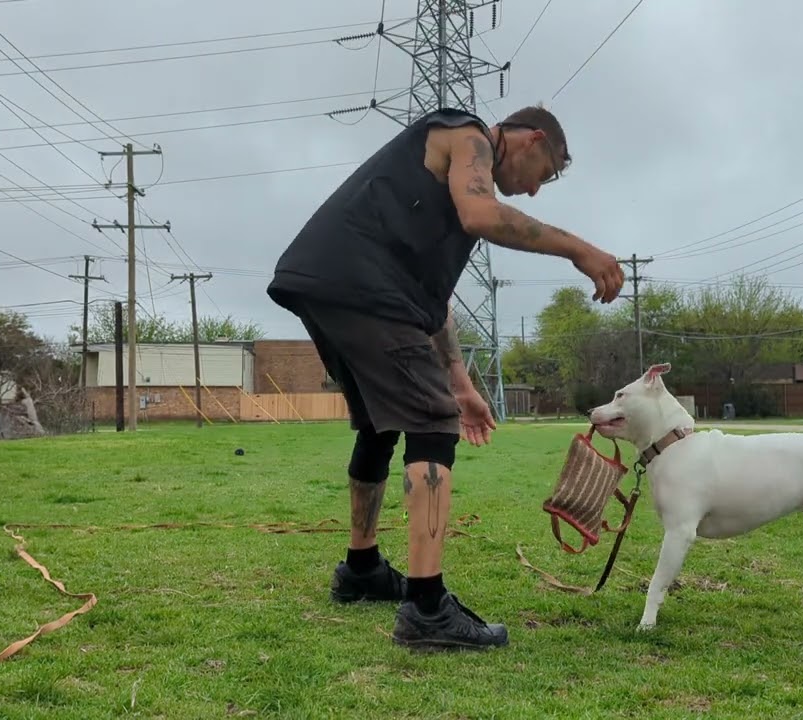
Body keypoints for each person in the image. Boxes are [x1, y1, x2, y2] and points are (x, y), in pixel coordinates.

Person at [266, 103, 625, 651]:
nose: (532, 192)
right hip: (360, 283)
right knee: (433, 424)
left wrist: (459, 381)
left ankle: (361, 569)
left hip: (327, 281)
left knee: (382, 425)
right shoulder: (469, 137)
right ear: (529, 140)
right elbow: (481, 213)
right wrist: (578, 248)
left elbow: (433, 304)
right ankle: (426, 609)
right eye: (543, 174)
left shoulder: (445, 206)